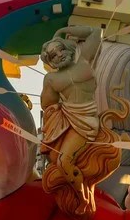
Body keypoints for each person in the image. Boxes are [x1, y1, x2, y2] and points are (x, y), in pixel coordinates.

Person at [40, 26, 102, 187]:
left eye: (60, 49)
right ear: (50, 61)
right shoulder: (51, 79)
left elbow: (96, 32)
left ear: (66, 47)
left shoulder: (84, 60)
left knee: (63, 161)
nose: (59, 55)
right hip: (68, 120)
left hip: (86, 123)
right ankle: (80, 195)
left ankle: (83, 199)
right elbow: (47, 105)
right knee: (56, 159)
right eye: (53, 55)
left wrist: (63, 30)